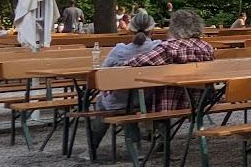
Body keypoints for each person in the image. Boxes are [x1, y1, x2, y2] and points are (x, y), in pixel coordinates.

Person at [88, 12, 159, 152]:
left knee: (104, 103)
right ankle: (136, 145)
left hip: (120, 102)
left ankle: (92, 147)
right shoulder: (159, 47)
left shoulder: (119, 51)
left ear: (130, 29)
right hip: (151, 100)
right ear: (152, 30)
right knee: (128, 101)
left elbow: (102, 77)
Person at [126, 9, 214, 113]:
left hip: (170, 104)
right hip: (201, 102)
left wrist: (123, 62)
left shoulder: (169, 47)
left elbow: (138, 62)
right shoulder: (206, 47)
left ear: (174, 27)